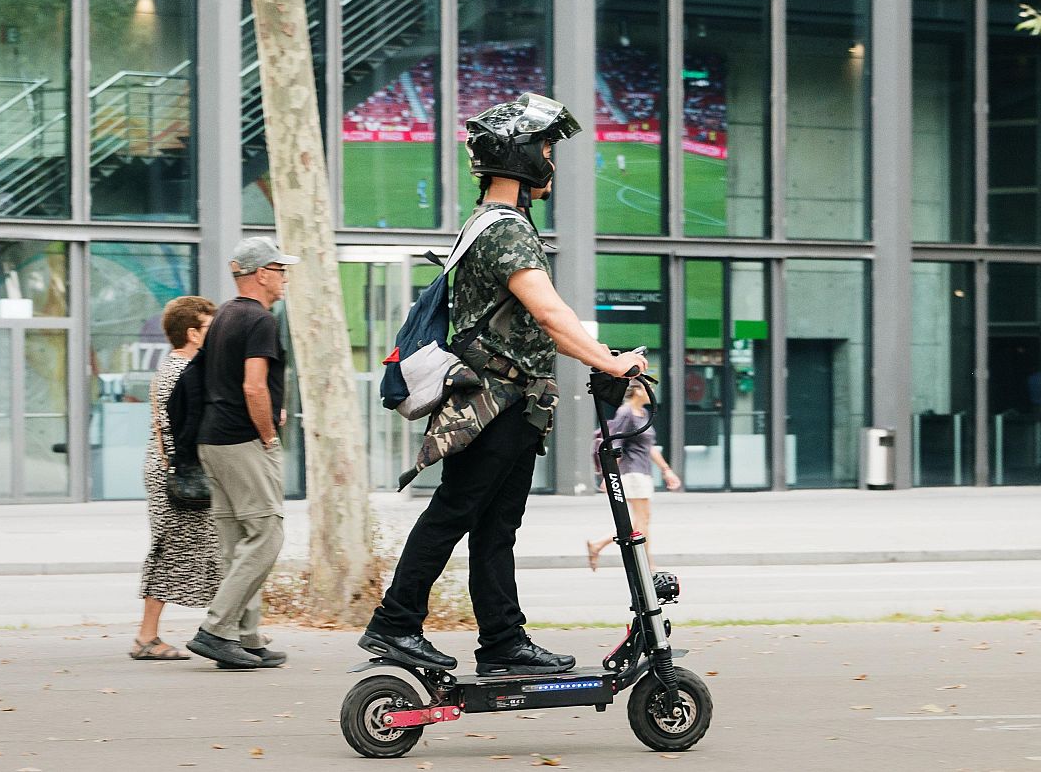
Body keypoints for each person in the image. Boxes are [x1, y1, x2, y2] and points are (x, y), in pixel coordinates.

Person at [359, 93, 646, 676]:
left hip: (512, 405)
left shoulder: (493, 225)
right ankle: (395, 623)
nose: (552, 159)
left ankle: (502, 643)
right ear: (521, 155)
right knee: (454, 512)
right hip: (493, 405)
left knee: (495, 526)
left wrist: (603, 356)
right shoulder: (506, 230)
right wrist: (611, 363)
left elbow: (546, 322)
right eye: (547, 147)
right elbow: (549, 314)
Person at [185, 237, 298, 670]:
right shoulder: (260, 320)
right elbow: (253, 385)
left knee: (237, 543)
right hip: (242, 441)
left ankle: (244, 638)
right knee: (268, 534)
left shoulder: (223, 316)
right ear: (261, 274)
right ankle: (215, 630)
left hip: (212, 440)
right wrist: (268, 435)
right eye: (280, 269)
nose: (284, 277)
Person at [131, 296, 220, 660]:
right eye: (210, 329)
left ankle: (228, 630)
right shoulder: (181, 372)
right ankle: (146, 637)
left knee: (202, 551)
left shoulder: (179, 367)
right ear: (192, 334)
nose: (215, 336)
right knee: (172, 551)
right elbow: (185, 430)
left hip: (172, 469)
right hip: (178, 474)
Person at [586, 379, 680, 573]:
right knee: (642, 520)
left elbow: (649, 447)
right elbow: (615, 442)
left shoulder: (643, 413)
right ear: (637, 391)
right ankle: (646, 564)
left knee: (640, 521)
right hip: (632, 472)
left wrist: (666, 469)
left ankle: (599, 545)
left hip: (642, 472)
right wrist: (609, 474)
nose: (652, 393)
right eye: (649, 390)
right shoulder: (626, 412)